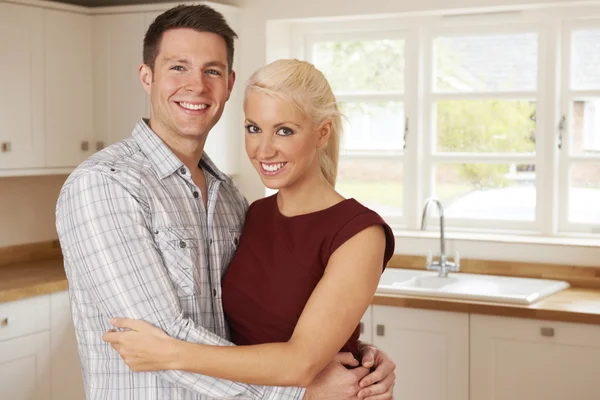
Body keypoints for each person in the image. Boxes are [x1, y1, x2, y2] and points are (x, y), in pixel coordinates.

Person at [55, 4, 395, 400]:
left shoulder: (233, 201)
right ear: (146, 76)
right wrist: (302, 391)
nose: (196, 85)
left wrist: (355, 355)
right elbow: (156, 340)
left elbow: (247, 329)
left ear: (229, 84)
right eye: (178, 67)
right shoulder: (105, 186)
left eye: (211, 70)